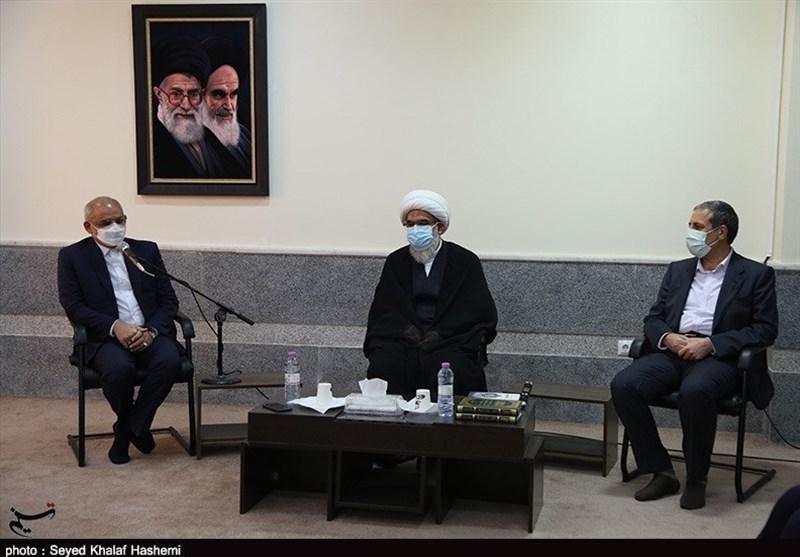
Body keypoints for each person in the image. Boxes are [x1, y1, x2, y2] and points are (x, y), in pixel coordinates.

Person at [611, 200, 778, 510]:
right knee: (624, 385)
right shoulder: (678, 270)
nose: (690, 232)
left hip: (719, 357)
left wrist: (711, 344)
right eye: (689, 226)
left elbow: (764, 330)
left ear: (721, 232)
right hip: (675, 350)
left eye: (697, 227)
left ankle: (696, 479)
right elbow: (654, 318)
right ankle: (661, 470)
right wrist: (668, 337)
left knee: (695, 390)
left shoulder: (756, 275)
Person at [57, 196, 182, 464]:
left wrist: (151, 331)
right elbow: (73, 306)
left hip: (148, 332)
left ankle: (126, 431)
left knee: (170, 361)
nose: (115, 227)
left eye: (120, 220)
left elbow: (169, 301)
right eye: (105, 223)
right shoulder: (72, 257)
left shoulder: (146, 250)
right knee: (118, 369)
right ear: (89, 227)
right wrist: (115, 327)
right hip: (105, 337)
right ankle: (138, 429)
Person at [363, 189, 498, 402]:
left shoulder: (465, 261)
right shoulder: (396, 261)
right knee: (386, 362)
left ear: (440, 227)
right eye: (410, 224)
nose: (415, 229)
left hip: (449, 338)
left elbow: (475, 310)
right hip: (404, 337)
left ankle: (446, 420)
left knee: (451, 365)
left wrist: (440, 333)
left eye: (423, 223)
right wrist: (406, 330)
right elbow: (385, 307)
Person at [151, 35, 241, 179]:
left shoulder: (209, 137)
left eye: (193, 94)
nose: (186, 106)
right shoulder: (152, 146)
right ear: (159, 95)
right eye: (176, 94)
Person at [201, 36, 252, 178]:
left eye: (233, 94)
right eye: (218, 95)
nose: (229, 105)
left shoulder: (244, 136)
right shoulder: (193, 150)